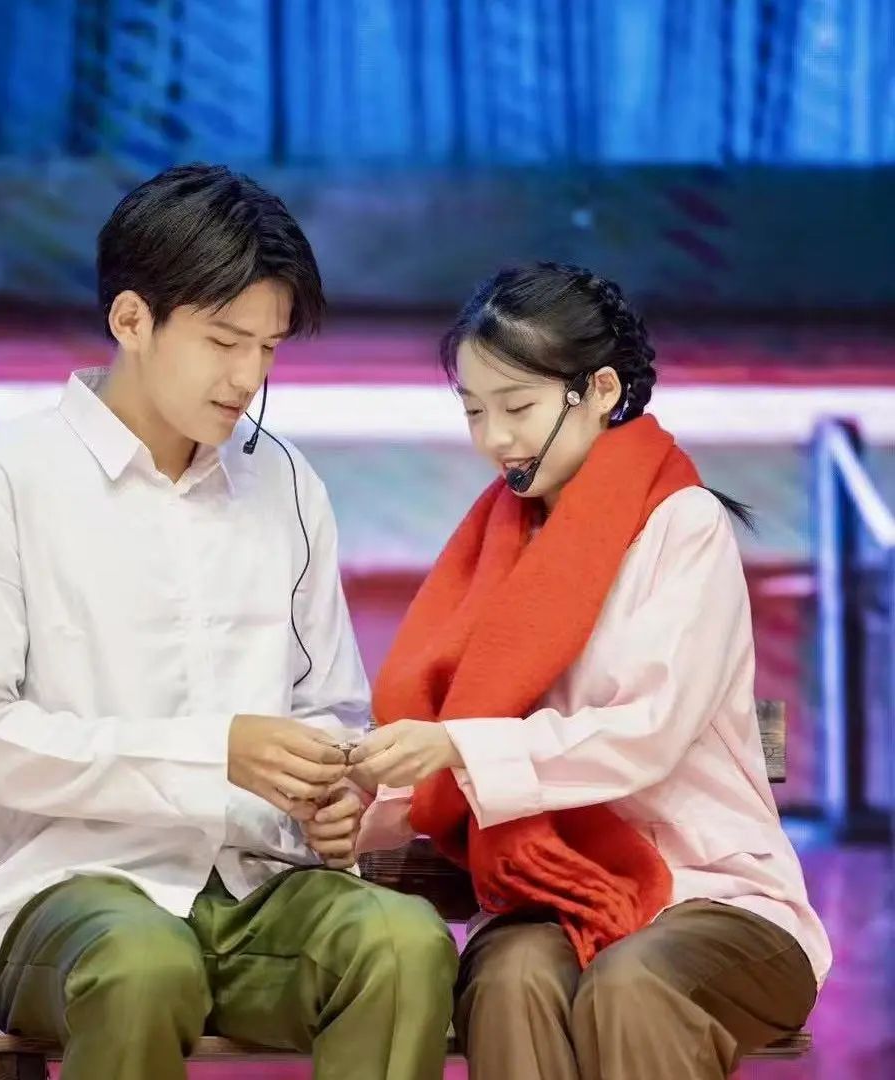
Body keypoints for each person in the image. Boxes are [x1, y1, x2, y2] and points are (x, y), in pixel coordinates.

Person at [0, 163, 457, 1080]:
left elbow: (329, 706)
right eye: (223, 341)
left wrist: (335, 791)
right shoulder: (6, 484)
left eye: (270, 348)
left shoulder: (285, 483)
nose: (249, 377)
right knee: (143, 966)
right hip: (73, 894)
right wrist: (215, 752)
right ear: (132, 320)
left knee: (403, 944)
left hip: (261, 886)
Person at [352, 263, 831, 1080]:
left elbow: (647, 733)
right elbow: (433, 733)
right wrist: (366, 799)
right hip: (547, 890)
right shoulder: (495, 545)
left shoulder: (684, 527)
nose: (495, 439)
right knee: (508, 983)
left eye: (518, 408)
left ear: (601, 390)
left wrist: (458, 749)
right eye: (474, 411)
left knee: (630, 986)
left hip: (713, 891)